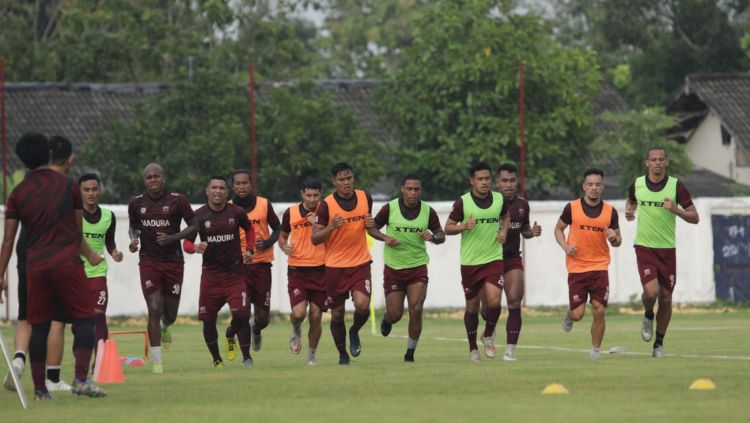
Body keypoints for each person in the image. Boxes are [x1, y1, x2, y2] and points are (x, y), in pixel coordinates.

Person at [0, 133, 106, 399]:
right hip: (67, 263)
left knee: (39, 324)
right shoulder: (69, 185)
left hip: (36, 266)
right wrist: (91, 255)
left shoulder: (18, 193)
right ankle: (81, 379)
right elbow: (77, 231)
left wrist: (0, 275)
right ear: (49, 155)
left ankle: (39, 390)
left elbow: (9, 239)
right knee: (84, 318)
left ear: (22, 161)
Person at [625, 147, 699, 358]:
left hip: (667, 250)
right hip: (644, 247)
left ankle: (658, 344)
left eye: (661, 159)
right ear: (646, 162)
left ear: (666, 162)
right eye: (653, 159)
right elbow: (631, 199)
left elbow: (695, 217)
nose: (657, 163)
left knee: (666, 299)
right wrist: (629, 210)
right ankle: (648, 314)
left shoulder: (677, 186)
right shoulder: (637, 183)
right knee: (651, 293)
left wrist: (676, 209)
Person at [128, 163, 198, 373]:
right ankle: (157, 363)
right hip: (149, 261)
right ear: (144, 181)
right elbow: (133, 226)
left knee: (171, 314)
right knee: (154, 307)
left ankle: (166, 326)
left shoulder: (177, 200)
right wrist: (133, 239)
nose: (152, 180)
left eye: (156, 176)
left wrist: (172, 238)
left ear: (163, 178)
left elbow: (195, 225)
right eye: (148, 177)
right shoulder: (136, 203)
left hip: (174, 262)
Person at [368, 173, 445, 362]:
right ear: (402, 189)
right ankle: (387, 319)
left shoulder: (428, 211)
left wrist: (433, 238)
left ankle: (410, 352)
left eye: (416, 189)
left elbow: (441, 235)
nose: (413, 193)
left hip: (417, 267)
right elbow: (372, 228)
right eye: (409, 189)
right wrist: (385, 238)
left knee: (416, 309)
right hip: (394, 269)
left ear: (421, 191)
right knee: (395, 314)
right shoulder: (390, 208)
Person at [184, 176, 255, 367]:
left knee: (241, 314)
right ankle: (217, 360)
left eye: (222, 188)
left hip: (235, 274)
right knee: (208, 320)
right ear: (207, 191)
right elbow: (186, 243)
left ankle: (231, 335)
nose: (218, 191)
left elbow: (250, 230)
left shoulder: (236, 212)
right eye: (214, 187)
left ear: (227, 192)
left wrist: (249, 249)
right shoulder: (198, 216)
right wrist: (195, 247)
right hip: (211, 277)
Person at [444, 162, 509, 363]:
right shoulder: (463, 202)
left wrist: (504, 231)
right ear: (472, 180)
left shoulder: (499, 199)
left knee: (495, 301)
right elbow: (447, 228)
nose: (484, 182)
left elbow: (506, 216)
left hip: (493, 258)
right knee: (472, 307)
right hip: (470, 262)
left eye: (487, 178)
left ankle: (487, 334)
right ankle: (473, 348)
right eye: (479, 179)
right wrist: (464, 226)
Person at [312, 162, 375, 364]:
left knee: (363, 305)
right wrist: (331, 227)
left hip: (360, 263)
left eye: (349, 178)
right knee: (337, 314)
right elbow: (315, 238)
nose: (346, 183)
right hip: (335, 267)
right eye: (341, 179)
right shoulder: (326, 205)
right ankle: (342, 354)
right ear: (334, 182)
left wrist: (382, 235)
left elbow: (369, 227)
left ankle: (355, 331)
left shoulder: (365, 197)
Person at [555, 168, 621, 360]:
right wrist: (565, 247)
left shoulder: (610, 212)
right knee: (578, 314)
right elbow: (558, 229)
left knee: (599, 308)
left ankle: (595, 351)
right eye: (590, 184)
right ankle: (569, 315)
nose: (594, 188)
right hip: (577, 268)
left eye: (597, 185)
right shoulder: (571, 208)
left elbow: (618, 241)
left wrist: (614, 237)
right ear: (584, 186)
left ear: (603, 187)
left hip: (600, 267)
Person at [226, 170, 281, 353]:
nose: (242, 187)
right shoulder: (227, 208)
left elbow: (278, 228)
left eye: (245, 183)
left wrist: (267, 243)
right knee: (242, 312)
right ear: (232, 186)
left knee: (263, 318)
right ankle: (246, 356)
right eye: (238, 184)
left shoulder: (264, 204)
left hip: (262, 266)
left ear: (251, 184)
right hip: (238, 268)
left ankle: (256, 330)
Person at [494, 163, 542, 361]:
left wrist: (532, 233)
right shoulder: (489, 204)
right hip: (489, 260)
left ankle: (510, 350)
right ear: (497, 183)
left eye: (512, 180)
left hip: (512, 259)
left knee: (514, 301)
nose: (508, 185)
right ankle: (489, 329)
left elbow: (524, 230)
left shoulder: (523, 205)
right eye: (504, 181)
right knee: (490, 307)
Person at [278, 177, 327, 366]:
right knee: (299, 314)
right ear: (302, 194)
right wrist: (284, 247)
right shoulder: (290, 213)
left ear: (320, 195)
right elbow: (282, 237)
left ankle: (311, 356)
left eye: (316, 195)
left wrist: (318, 221)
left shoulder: (325, 211)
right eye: (308, 195)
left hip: (321, 269)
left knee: (315, 316)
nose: (312, 199)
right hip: (297, 269)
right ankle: (296, 329)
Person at [79, 173, 123, 354]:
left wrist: (114, 252)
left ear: (100, 191)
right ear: (80, 192)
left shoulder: (108, 216)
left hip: (98, 273)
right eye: (86, 190)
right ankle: (82, 360)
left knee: (98, 316)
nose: (90, 193)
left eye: (94, 189)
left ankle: (101, 362)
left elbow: (109, 241)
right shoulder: (73, 215)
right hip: (76, 274)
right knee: (80, 323)